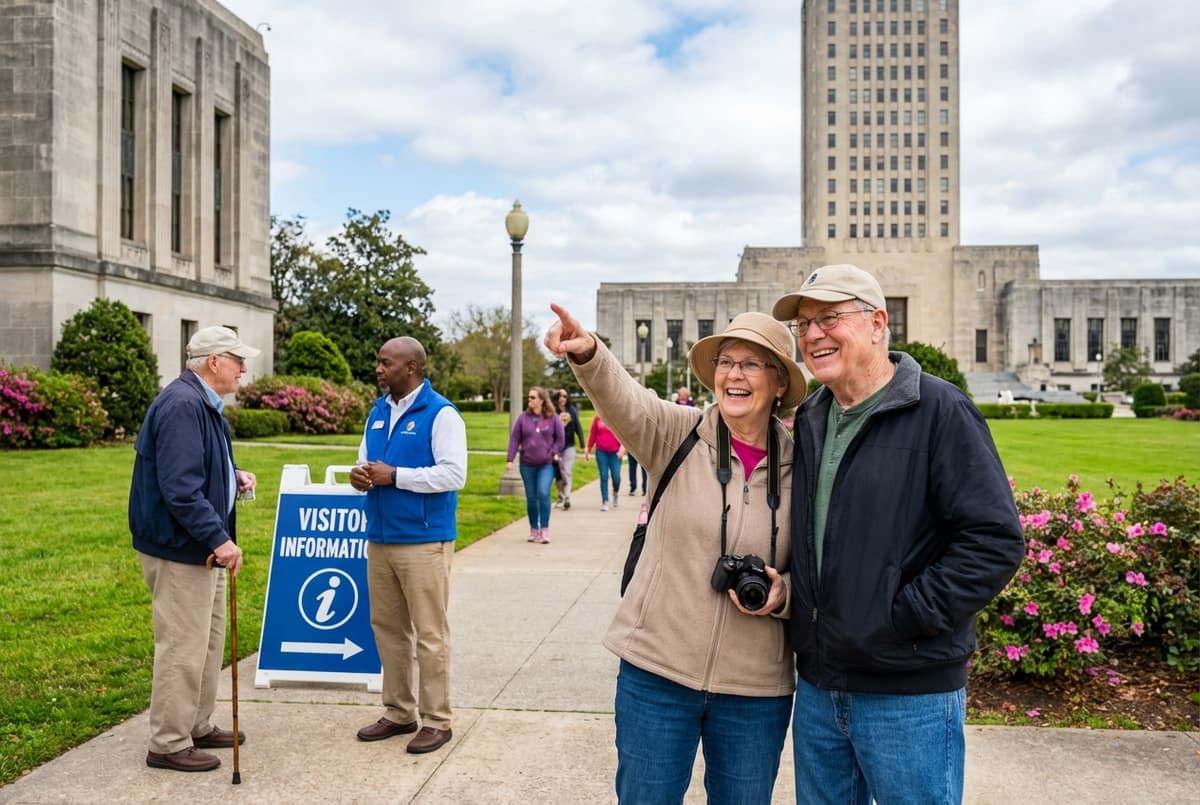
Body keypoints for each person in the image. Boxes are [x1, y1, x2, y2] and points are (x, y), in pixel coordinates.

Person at [770, 264, 1025, 804]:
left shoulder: (941, 410)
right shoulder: (812, 415)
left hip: (908, 692)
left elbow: (994, 540)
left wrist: (901, 618)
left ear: (878, 322)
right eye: (804, 324)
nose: (813, 334)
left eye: (829, 318)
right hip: (819, 686)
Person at [546, 303, 807, 805]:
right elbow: (624, 398)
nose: (734, 374)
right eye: (726, 361)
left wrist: (784, 593)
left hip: (755, 690)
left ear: (778, 384)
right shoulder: (677, 434)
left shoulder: (803, 465)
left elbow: (821, 570)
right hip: (657, 674)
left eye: (752, 364)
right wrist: (589, 352)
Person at [129, 325, 257, 773]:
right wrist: (220, 539)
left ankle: (195, 725)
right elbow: (180, 489)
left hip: (197, 546)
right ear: (214, 361)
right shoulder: (184, 404)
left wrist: (233, 473)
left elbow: (199, 463)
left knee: (207, 642)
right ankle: (167, 741)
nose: (244, 368)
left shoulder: (201, 401)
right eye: (238, 359)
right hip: (182, 547)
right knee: (183, 645)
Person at [350, 336, 467, 755]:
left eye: (386, 363)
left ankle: (437, 720)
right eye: (379, 362)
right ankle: (399, 711)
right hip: (380, 537)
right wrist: (358, 475)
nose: (379, 369)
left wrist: (395, 475)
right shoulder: (378, 411)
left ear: (412, 367)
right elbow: (365, 460)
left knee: (429, 633)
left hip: (423, 541)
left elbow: (454, 475)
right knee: (388, 629)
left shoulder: (441, 414)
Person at [506, 386, 565, 543]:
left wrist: (553, 452)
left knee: (543, 493)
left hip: (546, 464)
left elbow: (560, 438)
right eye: (529, 397)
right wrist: (510, 459)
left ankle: (544, 529)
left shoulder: (553, 418)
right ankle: (534, 529)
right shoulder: (523, 418)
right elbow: (514, 439)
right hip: (527, 464)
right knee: (531, 498)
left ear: (541, 400)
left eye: (533, 397)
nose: (529, 400)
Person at [585, 412, 624, 512]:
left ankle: (615, 492)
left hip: (615, 453)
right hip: (601, 452)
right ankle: (605, 500)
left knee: (616, 477)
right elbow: (593, 434)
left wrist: (622, 448)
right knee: (604, 476)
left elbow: (624, 435)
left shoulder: (617, 417)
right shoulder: (598, 418)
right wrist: (588, 448)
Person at [554, 388, 585, 510]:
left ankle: (567, 497)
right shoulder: (553, 412)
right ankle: (561, 495)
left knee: (566, 471)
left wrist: (583, 444)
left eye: (565, 396)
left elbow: (578, 426)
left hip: (569, 446)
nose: (562, 398)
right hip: (555, 447)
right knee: (558, 473)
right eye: (560, 396)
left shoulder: (572, 411)